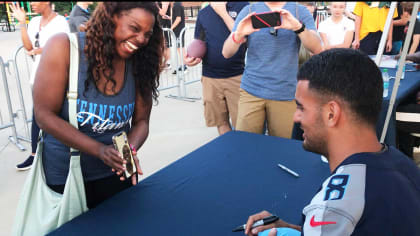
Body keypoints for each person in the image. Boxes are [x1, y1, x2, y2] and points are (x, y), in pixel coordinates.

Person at [243, 48, 420, 236]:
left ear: (331, 114)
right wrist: (296, 230)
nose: (296, 118)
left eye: (302, 108)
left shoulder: (336, 207)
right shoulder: (402, 164)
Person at [32, 2, 165, 209]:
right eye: (134, 28)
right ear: (112, 18)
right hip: (66, 178)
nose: (141, 40)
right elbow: (44, 115)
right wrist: (100, 150)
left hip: (115, 174)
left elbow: (141, 122)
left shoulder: (140, 62)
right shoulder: (65, 48)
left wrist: (126, 154)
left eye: (147, 34)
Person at [222, 2, 322, 138]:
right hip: (251, 91)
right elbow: (226, 52)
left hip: (285, 93)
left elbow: (317, 48)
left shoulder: (299, 11)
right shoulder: (249, 10)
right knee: (246, 144)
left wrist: (298, 28)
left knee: (283, 149)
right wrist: (238, 35)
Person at [9, 2, 70, 171]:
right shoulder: (34, 22)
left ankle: (47, 155)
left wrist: (37, 51)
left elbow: (62, 47)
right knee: (38, 115)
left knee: (53, 116)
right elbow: (28, 46)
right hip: (38, 76)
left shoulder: (60, 23)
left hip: (56, 77)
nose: (32, 4)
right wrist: (22, 24)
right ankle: (36, 154)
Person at [184, 2, 248, 135]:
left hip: (237, 76)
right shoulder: (203, 13)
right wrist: (192, 58)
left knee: (243, 126)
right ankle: (230, 152)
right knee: (220, 122)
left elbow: (245, 38)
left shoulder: (243, 6)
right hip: (210, 78)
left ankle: (243, 153)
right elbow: (200, 43)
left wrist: (223, 13)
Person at [171, 1, 187, 74]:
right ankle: (183, 65)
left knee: (180, 48)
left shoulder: (177, 4)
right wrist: (170, 18)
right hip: (178, 30)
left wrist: (171, 28)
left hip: (178, 30)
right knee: (180, 48)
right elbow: (176, 17)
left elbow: (178, 19)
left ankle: (184, 67)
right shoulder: (177, 4)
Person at [157, 1, 172, 68]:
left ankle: (168, 62)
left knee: (166, 45)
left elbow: (163, 13)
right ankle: (163, 62)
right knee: (161, 45)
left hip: (165, 26)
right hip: (160, 25)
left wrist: (156, 6)